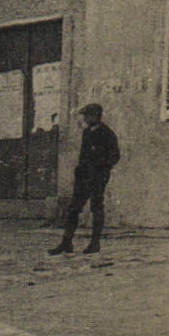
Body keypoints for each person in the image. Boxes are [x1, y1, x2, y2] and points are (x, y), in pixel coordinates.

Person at [50, 103, 121, 256]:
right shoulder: (87, 132)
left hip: (98, 177)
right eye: (85, 116)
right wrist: (79, 171)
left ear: (96, 116)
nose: (85, 119)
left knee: (96, 207)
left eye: (88, 116)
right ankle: (66, 242)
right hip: (83, 176)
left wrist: (100, 168)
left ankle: (95, 243)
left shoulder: (107, 134)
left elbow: (115, 156)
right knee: (74, 208)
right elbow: (83, 155)